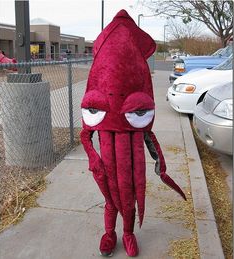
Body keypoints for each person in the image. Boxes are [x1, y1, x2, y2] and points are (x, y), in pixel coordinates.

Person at [80, 9, 186, 257]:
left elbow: (148, 134)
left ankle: (128, 233)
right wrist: (94, 158)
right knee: (110, 196)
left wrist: (160, 165)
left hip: (131, 142)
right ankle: (109, 233)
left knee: (129, 195)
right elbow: (86, 134)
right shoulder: (99, 94)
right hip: (105, 153)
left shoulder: (137, 106)